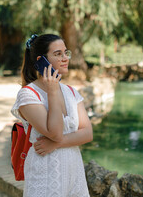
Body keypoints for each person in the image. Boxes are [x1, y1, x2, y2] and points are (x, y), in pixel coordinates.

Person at [11, 34, 93, 197]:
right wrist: (53, 91)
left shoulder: (71, 92)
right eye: (58, 54)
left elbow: (87, 133)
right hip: (46, 174)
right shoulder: (28, 95)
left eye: (65, 53)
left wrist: (57, 144)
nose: (65, 58)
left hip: (74, 171)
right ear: (42, 61)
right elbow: (54, 132)